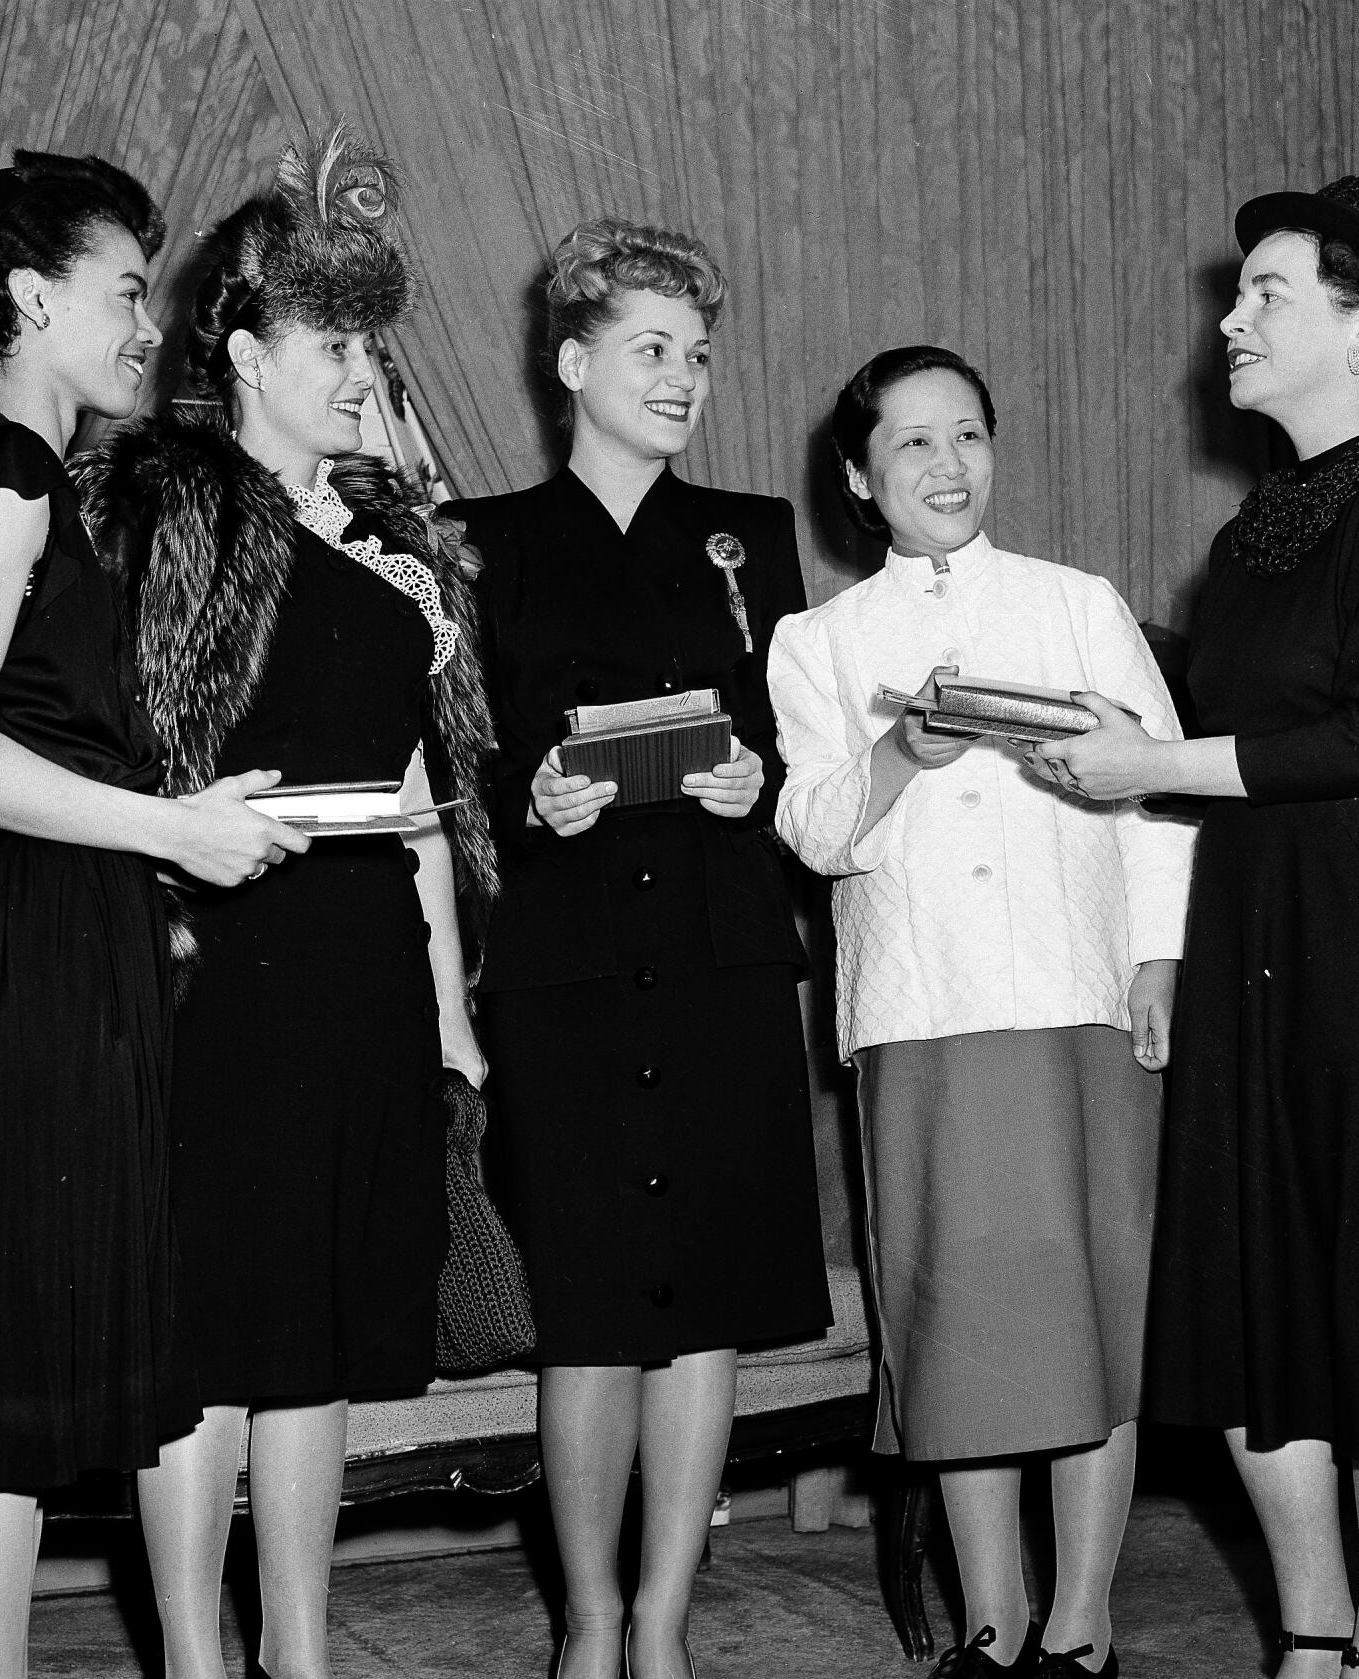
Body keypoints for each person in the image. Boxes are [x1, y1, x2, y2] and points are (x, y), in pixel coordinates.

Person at [1033, 177, 1359, 1678]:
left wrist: (1153, 762)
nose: (1230, 320)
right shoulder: (1261, 530)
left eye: (1267, 293)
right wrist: (1118, 724)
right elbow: (1228, 730)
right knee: (1264, 1292)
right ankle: (1310, 1641)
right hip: (1256, 928)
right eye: (1238, 292)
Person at [74, 129, 497, 1679]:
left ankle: (298, 1651)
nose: (359, 368)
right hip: (215, 967)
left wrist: (449, 1017)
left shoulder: (395, 551)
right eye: (329, 340)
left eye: (371, 343)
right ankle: (196, 1653)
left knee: (320, 1329)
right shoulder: (170, 511)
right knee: (211, 1333)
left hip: (360, 962)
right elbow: (117, 749)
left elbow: (419, 804)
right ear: (245, 353)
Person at [0, 154, 303, 1679]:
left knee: (4, 1391)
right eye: (129, 290)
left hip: (61, 950)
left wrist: (176, 822)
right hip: (27, 961)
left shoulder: (13, 476)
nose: (148, 323)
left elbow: (25, 736)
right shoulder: (0, 471)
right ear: (33, 296)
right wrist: (170, 826)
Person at [770, 346, 1196, 1678]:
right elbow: (813, 828)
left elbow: (1159, 789)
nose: (946, 467)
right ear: (860, 478)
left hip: (1079, 998)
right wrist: (902, 752)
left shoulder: (1077, 604)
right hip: (923, 1010)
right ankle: (993, 1625)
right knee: (961, 1321)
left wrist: (1158, 956)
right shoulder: (819, 643)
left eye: (967, 436)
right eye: (911, 445)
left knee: (1091, 1306)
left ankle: (1083, 1620)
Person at [447, 217, 831, 1679]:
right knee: (591, 1310)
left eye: (700, 356)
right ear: (573, 362)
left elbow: (801, 750)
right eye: (653, 350)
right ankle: (589, 1625)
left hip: (724, 957)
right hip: (572, 974)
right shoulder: (480, 544)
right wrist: (526, 797)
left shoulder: (749, 541)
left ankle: (665, 1626)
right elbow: (458, 764)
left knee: (708, 1305)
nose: (684, 379)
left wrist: (762, 789)